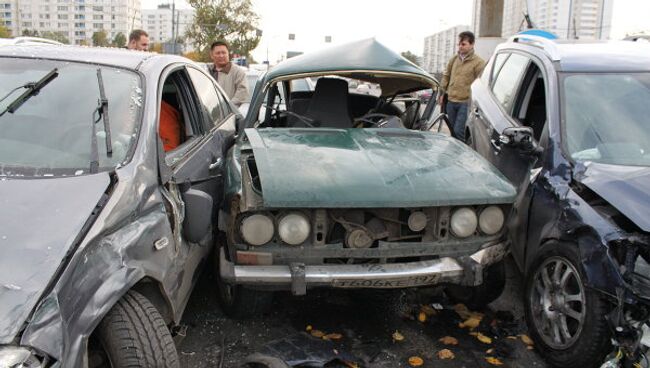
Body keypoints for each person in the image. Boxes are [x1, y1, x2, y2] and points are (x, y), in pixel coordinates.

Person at [438, 31, 485, 141]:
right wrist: (442, 93)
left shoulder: (479, 62)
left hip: (465, 103)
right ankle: (454, 155)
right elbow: (446, 76)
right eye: (459, 44)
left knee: (459, 132)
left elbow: (481, 83)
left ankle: (458, 156)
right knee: (453, 131)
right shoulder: (454, 59)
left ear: (472, 44)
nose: (460, 46)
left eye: (463, 44)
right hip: (450, 101)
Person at [207, 40, 249, 106]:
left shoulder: (238, 72)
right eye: (218, 53)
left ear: (228, 54)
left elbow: (242, 93)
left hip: (228, 114)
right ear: (212, 55)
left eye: (224, 53)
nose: (221, 55)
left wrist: (228, 108)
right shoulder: (207, 71)